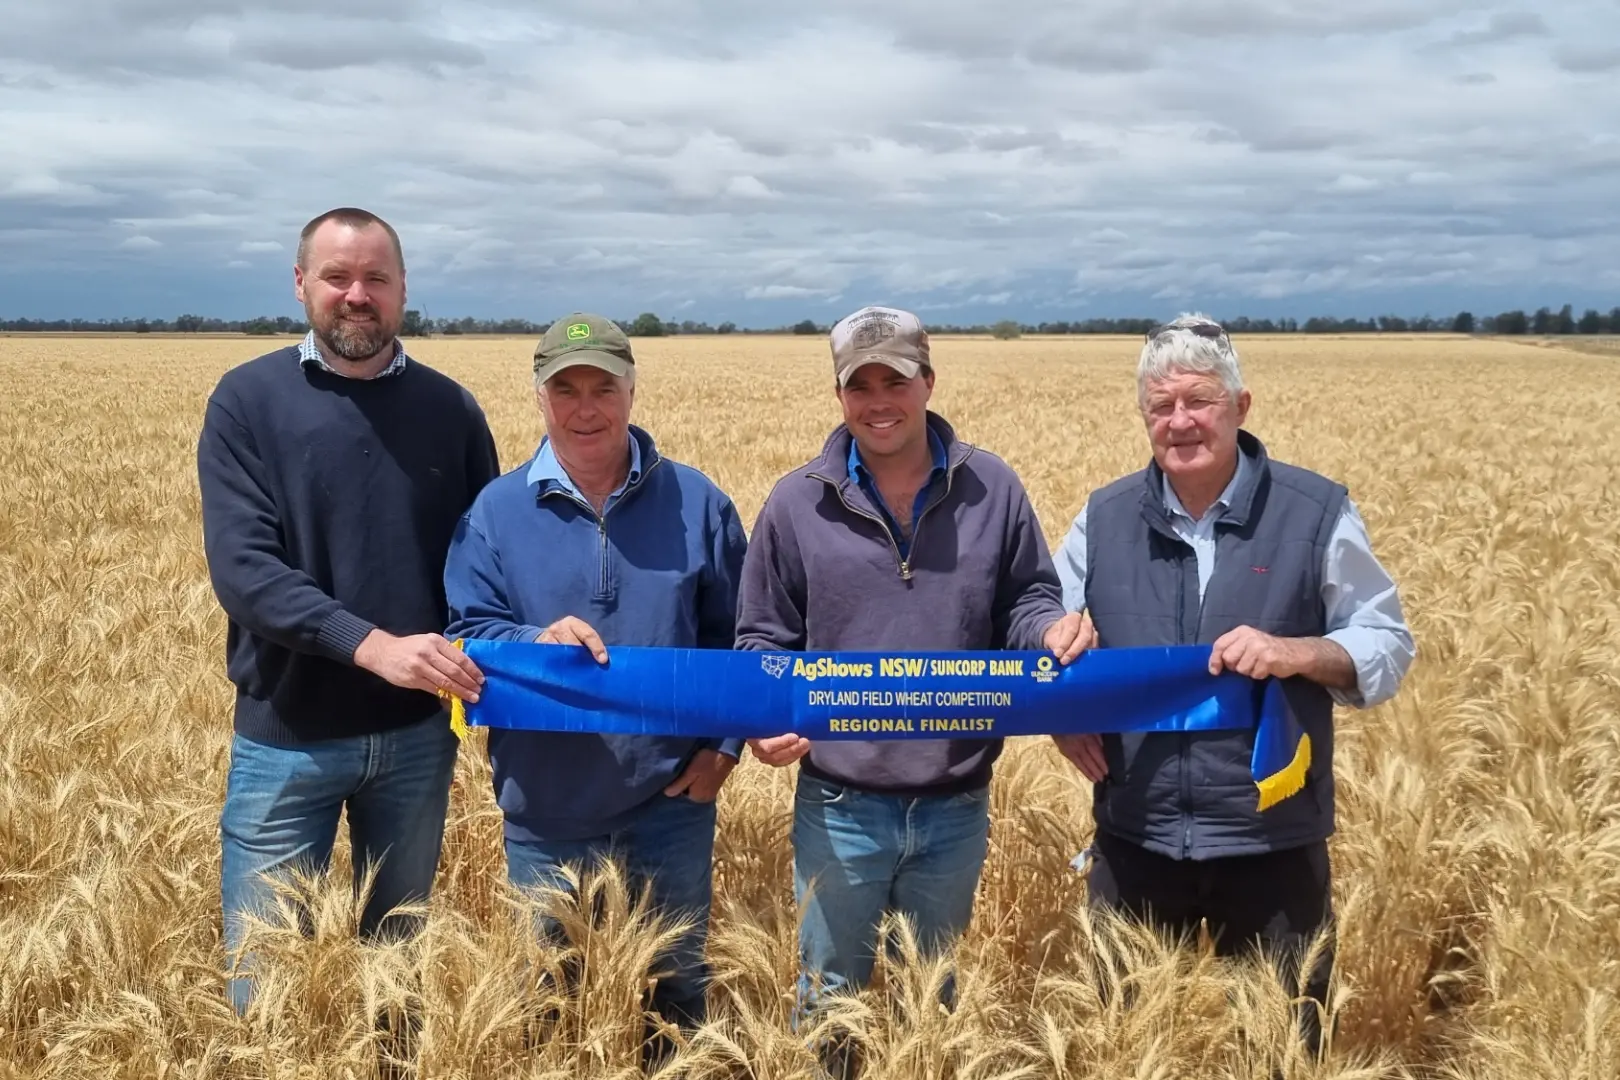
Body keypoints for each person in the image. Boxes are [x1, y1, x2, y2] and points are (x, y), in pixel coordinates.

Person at [736, 305, 1091, 1077]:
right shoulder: (796, 503)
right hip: (839, 804)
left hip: (955, 803)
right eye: (859, 385)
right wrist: (766, 721)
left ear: (928, 381)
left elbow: (1027, 599)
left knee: (931, 1004)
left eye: (894, 381)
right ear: (839, 394)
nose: (878, 402)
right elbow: (762, 638)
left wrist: (1049, 630)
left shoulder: (992, 488)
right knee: (828, 1003)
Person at [1052, 313, 1415, 1054]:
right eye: (1161, 405)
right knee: (1127, 1049)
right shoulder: (1103, 518)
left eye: (1200, 400)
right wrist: (1059, 707)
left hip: (1271, 841)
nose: (1180, 421)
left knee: (1283, 1050)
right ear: (1143, 416)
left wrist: (1298, 651)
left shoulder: (1316, 512)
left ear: (1240, 406)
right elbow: (1043, 625)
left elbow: (1386, 643)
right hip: (1136, 836)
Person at [198, 207, 500, 1013]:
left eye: (376, 278)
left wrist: (532, 644)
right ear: (301, 283)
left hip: (416, 740)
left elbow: (487, 562)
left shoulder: (451, 409)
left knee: (394, 982)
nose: (356, 295)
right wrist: (373, 646)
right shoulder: (247, 400)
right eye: (337, 277)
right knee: (263, 984)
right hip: (286, 739)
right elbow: (245, 571)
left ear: (403, 289)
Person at [443, 312, 748, 1056]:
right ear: (539, 398)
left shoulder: (698, 503)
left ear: (632, 392)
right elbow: (466, 633)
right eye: (566, 389)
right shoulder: (494, 513)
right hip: (545, 806)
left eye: (603, 388)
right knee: (550, 997)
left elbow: (738, 638)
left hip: (672, 801)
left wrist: (725, 747)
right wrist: (535, 643)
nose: (586, 408)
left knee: (676, 993)